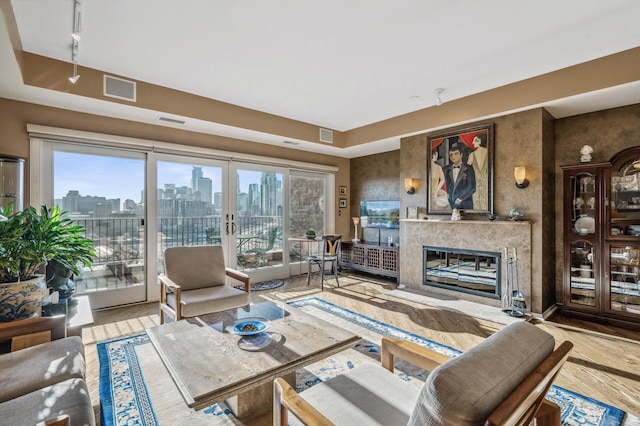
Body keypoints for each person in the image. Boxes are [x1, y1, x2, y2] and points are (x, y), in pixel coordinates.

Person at [443, 138, 476, 210]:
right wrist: (448, 196)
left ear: (461, 155)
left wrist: (460, 199)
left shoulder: (469, 168)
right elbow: (446, 185)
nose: (453, 157)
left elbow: (472, 187)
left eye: (455, 154)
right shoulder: (446, 169)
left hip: (465, 204)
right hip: (450, 204)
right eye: (451, 154)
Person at [467, 133, 488, 210]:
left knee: (477, 206)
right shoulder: (489, 153)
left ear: (480, 141)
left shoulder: (472, 155)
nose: (473, 143)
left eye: (475, 140)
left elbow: (467, 171)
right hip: (485, 184)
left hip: (476, 183)